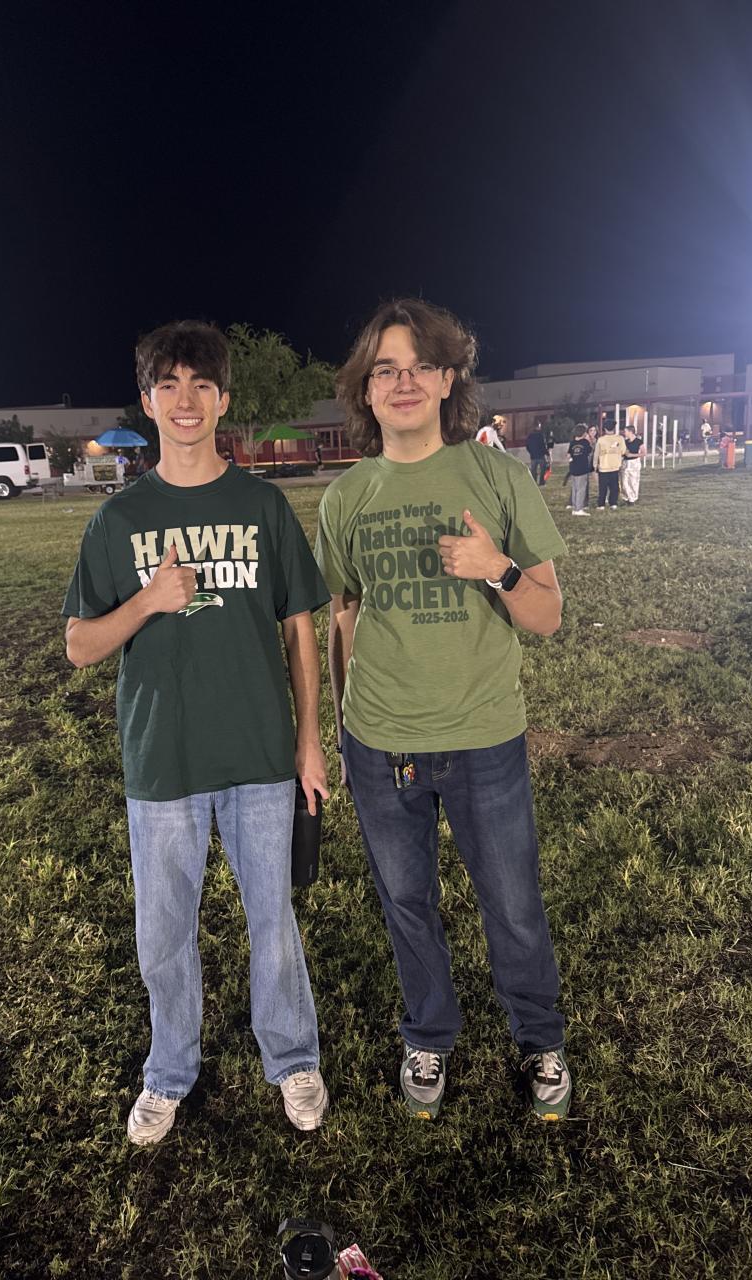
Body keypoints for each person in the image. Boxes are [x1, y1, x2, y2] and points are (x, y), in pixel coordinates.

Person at [63, 320, 331, 1145]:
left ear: (223, 400)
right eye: (169, 385)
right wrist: (148, 600)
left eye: (201, 385)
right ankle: (168, 1071)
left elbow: (299, 628)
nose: (186, 400)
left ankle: (293, 1058)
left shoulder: (261, 506)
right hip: (163, 757)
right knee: (163, 936)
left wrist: (310, 740)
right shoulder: (119, 519)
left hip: (258, 753)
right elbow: (79, 646)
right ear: (147, 402)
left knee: (272, 922)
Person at [315, 298, 571, 1123]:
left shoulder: (498, 478)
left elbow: (546, 614)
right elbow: (343, 617)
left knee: (513, 904)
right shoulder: (346, 498)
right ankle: (428, 1033)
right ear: (365, 388)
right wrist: (345, 730)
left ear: (449, 378)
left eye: (421, 365)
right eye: (385, 369)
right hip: (379, 744)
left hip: (483, 737)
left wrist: (498, 568)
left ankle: (540, 1040)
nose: (404, 382)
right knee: (407, 904)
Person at [593, 421, 626, 509]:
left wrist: (595, 464)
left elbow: (596, 453)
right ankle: (613, 503)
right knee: (614, 486)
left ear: (605, 429)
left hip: (604, 466)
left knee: (602, 487)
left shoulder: (601, 440)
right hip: (615, 466)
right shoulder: (620, 438)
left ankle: (601, 504)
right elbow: (623, 451)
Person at [567, 424, 594, 515]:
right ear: (583, 433)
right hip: (582, 468)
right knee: (581, 489)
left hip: (573, 468)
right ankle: (579, 509)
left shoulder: (572, 443)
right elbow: (589, 451)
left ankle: (575, 508)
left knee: (575, 488)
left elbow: (568, 455)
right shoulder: (585, 442)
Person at [620, 425, 644, 504]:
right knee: (624, 482)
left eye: (625, 431)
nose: (624, 433)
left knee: (633, 482)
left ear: (630, 432)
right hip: (625, 463)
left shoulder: (639, 441)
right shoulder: (625, 442)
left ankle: (632, 498)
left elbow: (644, 453)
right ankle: (626, 497)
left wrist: (632, 455)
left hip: (634, 463)